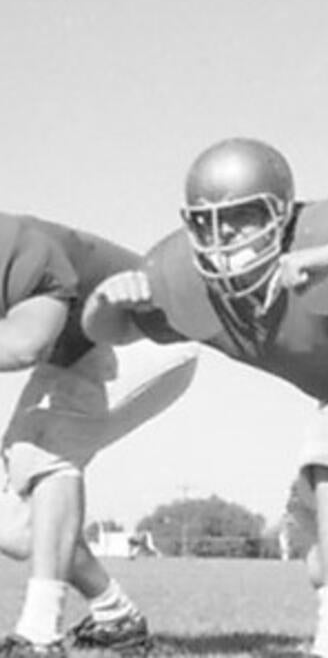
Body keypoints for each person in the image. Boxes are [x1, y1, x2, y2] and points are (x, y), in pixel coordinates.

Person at [80, 137, 328, 658]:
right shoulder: (183, 274)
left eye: (243, 218)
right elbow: (110, 329)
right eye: (207, 222)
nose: (224, 237)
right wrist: (103, 300)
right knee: (327, 560)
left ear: (281, 213)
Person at [0, 215, 199, 658]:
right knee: (12, 522)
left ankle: (40, 634)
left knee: (44, 442)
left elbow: (25, 343)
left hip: (148, 334)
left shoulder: (11, 241)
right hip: (81, 354)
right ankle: (116, 616)